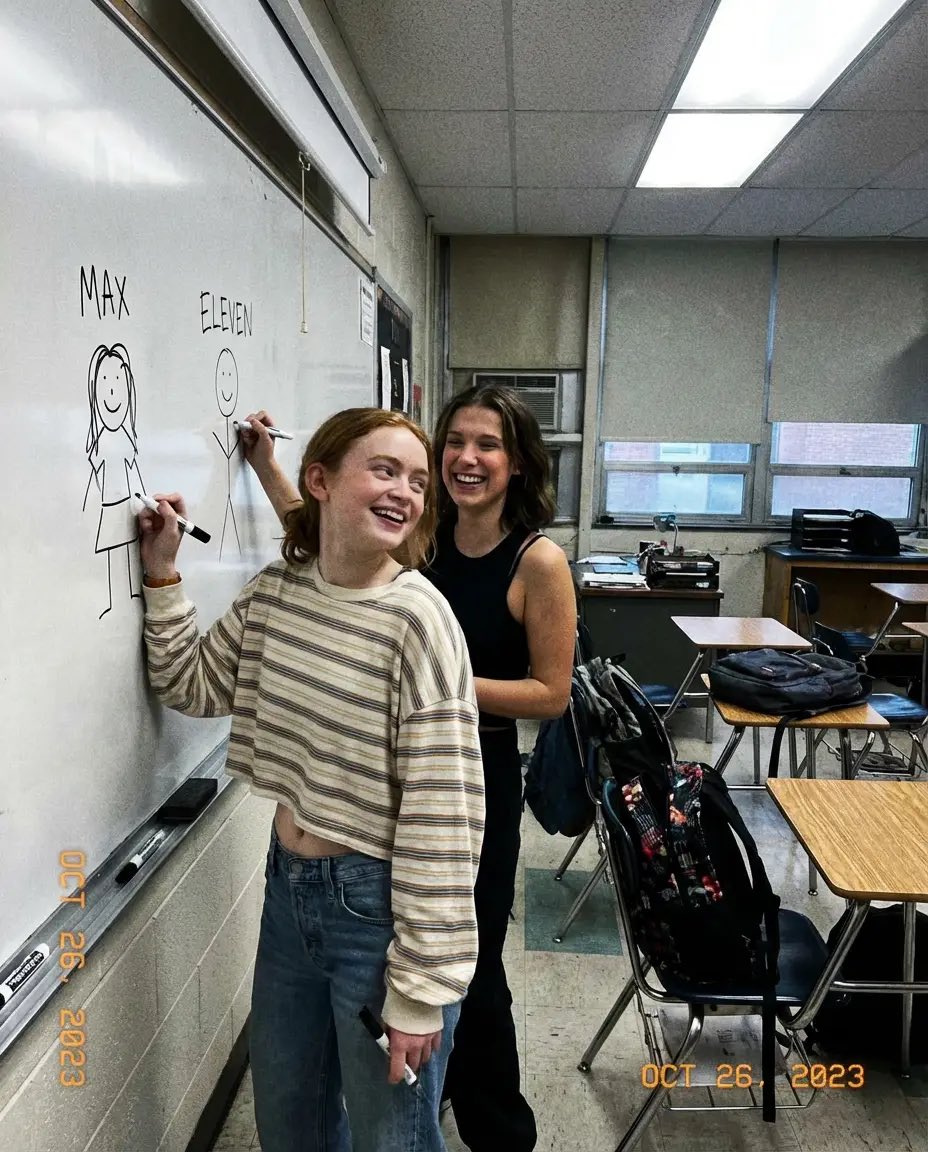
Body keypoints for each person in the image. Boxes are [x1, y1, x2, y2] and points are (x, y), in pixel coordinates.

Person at [138, 407, 485, 1152]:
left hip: (379, 911)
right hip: (288, 894)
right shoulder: (279, 592)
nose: (405, 492)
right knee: (290, 1125)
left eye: (417, 482)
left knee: (392, 1139)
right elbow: (192, 683)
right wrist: (163, 573)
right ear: (320, 481)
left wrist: (420, 992)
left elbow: (445, 818)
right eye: (385, 470)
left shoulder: (419, 622)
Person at [242, 387, 576, 1151]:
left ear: (518, 464)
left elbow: (551, 693)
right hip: (389, 772)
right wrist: (267, 467)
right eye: (454, 442)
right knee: (408, 966)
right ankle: (424, 1078)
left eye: (488, 445)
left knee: (467, 966)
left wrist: (433, 685)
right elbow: (325, 533)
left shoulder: (538, 561)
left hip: (476, 772)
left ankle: (498, 1131)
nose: (466, 458)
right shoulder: (420, 539)